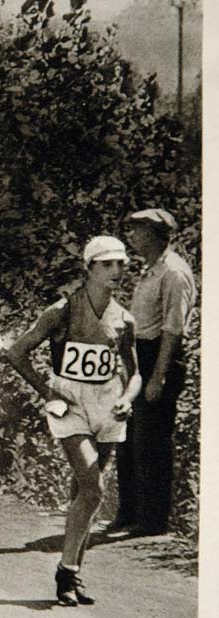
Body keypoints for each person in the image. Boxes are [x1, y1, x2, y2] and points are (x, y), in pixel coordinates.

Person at [4, 235, 141, 605]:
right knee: (93, 487)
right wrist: (47, 392)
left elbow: (135, 374)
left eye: (121, 264)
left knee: (85, 495)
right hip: (70, 401)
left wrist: (128, 399)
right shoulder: (62, 310)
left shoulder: (124, 318)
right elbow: (16, 352)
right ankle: (66, 571)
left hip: (108, 403)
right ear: (89, 268)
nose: (116, 271)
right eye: (107, 264)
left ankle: (73, 577)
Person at [115, 209, 197, 536]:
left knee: (151, 443)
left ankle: (151, 522)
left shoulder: (174, 273)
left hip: (159, 358)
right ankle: (129, 514)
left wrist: (158, 377)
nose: (131, 235)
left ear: (154, 233)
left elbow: (172, 330)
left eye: (137, 230)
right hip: (140, 356)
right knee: (129, 438)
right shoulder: (151, 270)